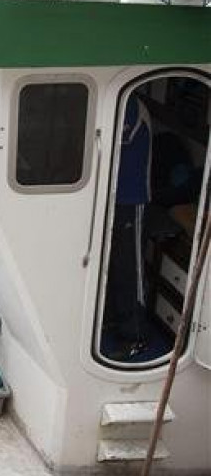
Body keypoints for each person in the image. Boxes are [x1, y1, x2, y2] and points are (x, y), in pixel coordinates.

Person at [103, 95, 152, 360]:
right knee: (107, 265)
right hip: (106, 198)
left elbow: (113, 139)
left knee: (129, 269)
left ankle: (136, 336)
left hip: (130, 199)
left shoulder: (130, 104)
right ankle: (113, 317)